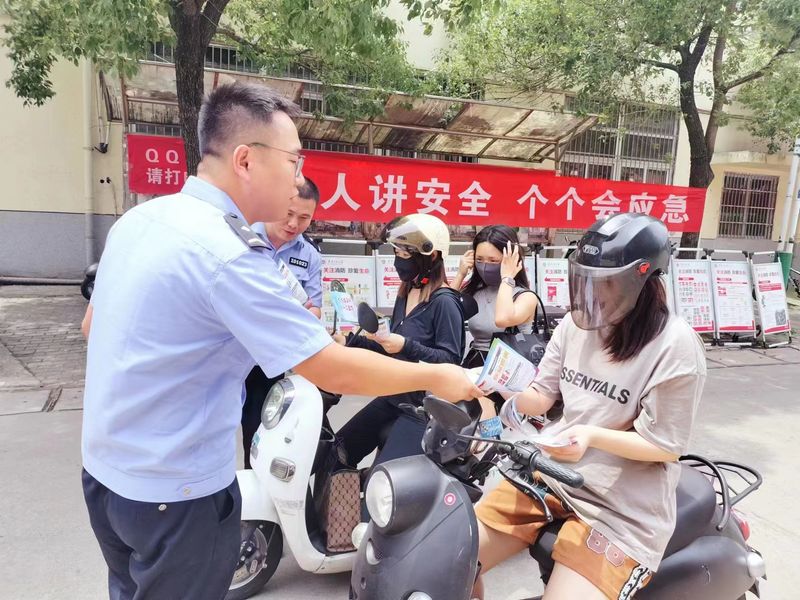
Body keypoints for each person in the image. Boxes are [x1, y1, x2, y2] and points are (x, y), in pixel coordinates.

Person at [80, 82, 480, 600]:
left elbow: (92, 326)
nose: (297, 178)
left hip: (106, 476)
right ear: (246, 160)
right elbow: (329, 368)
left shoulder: (141, 220)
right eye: (293, 160)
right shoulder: (228, 254)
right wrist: (440, 375)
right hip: (175, 492)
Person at [472, 213, 706, 600]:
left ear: (644, 280)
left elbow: (665, 445)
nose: (593, 292)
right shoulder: (573, 326)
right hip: (548, 475)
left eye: (606, 282)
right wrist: (499, 386)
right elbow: (542, 395)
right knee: (452, 557)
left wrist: (591, 435)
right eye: (586, 279)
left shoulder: (675, 346)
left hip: (619, 508)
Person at [334, 213, 466, 468]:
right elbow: (389, 347)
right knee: (338, 451)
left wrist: (406, 345)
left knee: (386, 477)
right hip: (393, 394)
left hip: (422, 408)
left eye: (405, 254)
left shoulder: (445, 302)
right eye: (396, 252)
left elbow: (450, 360)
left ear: (431, 256)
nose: (398, 260)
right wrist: (349, 341)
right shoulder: (405, 294)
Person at [241, 177, 322, 468]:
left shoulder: (308, 255)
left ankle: (253, 490)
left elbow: (315, 310)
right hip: (227, 355)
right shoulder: (241, 235)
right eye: (288, 213)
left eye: (304, 218)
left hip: (268, 361)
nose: (293, 224)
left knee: (257, 435)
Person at [451, 225, 539, 370]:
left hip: (509, 369)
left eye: (493, 261)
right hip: (475, 365)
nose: (485, 266)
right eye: (479, 260)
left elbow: (502, 319)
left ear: (512, 259)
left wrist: (507, 278)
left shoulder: (525, 297)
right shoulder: (475, 291)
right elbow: (443, 309)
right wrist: (460, 274)